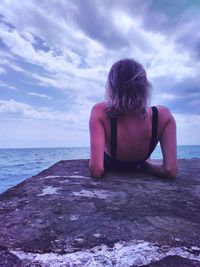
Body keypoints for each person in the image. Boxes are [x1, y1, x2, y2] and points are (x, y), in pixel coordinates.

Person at [89, 59, 177, 179]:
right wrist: (146, 165)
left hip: (113, 164)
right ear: (144, 86)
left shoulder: (100, 111)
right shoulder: (163, 115)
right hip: (141, 162)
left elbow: (96, 170)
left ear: (112, 86)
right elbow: (170, 170)